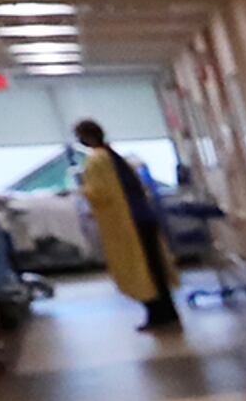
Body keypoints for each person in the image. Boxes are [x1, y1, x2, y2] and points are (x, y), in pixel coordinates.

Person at [70, 118, 180, 332]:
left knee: (142, 270)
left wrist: (81, 190)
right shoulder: (114, 156)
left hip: (128, 223)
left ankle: (157, 314)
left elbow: (100, 193)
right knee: (154, 267)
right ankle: (167, 312)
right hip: (142, 218)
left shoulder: (96, 160)